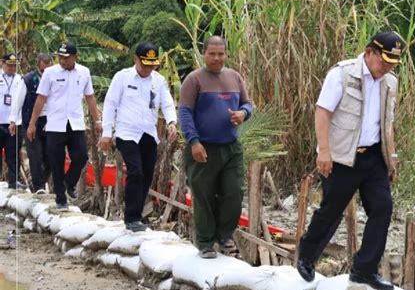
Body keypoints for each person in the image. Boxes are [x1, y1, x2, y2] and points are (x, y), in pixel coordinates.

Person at [296, 32, 405, 290]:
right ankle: (307, 256)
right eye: (384, 61)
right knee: (332, 210)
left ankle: (364, 271)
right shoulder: (342, 74)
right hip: (343, 155)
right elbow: (323, 111)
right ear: (370, 53)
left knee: (382, 207)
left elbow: (386, 124)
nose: (387, 67)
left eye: (393, 63)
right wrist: (324, 150)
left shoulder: (390, 81)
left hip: (374, 157)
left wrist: (391, 158)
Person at [179, 36, 253, 258]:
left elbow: (248, 104)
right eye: (212, 54)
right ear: (204, 54)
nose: (217, 58)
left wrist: (243, 114)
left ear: (226, 54)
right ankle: (205, 243)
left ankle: (225, 236)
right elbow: (184, 112)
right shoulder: (194, 80)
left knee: (234, 192)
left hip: (231, 147)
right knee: (204, 196)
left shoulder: (234, 77)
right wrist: (194, 142)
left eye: (221, 54)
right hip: (202, 148)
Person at [98, 42, 177, 232]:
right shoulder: (122, 77)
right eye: (145, 65)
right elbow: (110, 104)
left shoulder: (158, 81)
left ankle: (137, 215)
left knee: (147, 175)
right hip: (127, 133)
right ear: (136, 59)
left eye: (152, 65)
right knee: (135, 172)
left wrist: (171, 122)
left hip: (148, 134)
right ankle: (131, 218)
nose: (149, 69)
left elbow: (166, 103)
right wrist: (107, 133)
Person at [27, 42, 102, 210]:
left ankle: (69, 182)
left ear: (75, 57)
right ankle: (61, 199)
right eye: (60, 57)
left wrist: (98, 121)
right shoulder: (50, 73)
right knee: (56, 162)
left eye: (66, 58)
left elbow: (90, 97)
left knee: (81, 156)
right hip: (55, 124)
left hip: (75, 123)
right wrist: (32, 124)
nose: (62, 60)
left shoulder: (84, 72)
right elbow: (41, 99)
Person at [9, 54, 53, 193]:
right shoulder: (28, 80)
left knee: (50, 156)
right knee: (35, 154)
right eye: (44, 70)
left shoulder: (55, 79)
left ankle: (43, 180)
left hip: (50, 121)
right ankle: (38, 186)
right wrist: (13, 121)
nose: (46, 72)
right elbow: (18, 101)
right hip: (30, 122)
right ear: (38, 67)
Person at [0, 54, 25, 189]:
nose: (11, 67)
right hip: (0, 121)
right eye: (9, 64)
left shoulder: (20, 79)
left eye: (14, 65)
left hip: (15, 123)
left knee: (13, 153)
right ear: (2, 63)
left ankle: (14, 181)